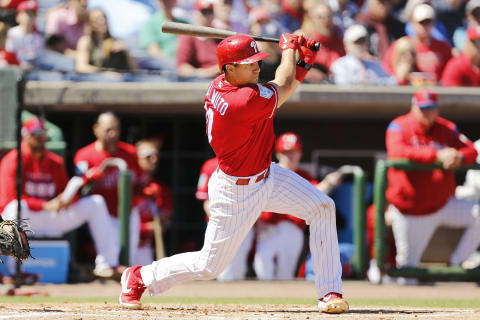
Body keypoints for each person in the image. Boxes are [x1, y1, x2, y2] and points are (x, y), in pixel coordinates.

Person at [118, 33, 349, 314]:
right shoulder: (242, 101)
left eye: (257, 60)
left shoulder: (224, 85)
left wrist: (301, 64)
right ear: (229, 68)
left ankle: (329, 291)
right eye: (248, 62)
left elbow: (281, 92)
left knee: (322, 206)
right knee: (209, 265)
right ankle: (140, 276)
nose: (256, 66)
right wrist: (289, 51)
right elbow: (284, 86)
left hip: (266, 174)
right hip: (237, 190)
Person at [0, 116, 120, 278]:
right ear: (26, 136)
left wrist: (70, 198)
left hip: (52, 217)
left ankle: (107, 264)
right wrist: (44, 205)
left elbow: (65, 191)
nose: (41, 139)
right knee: (14, 207)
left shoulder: (54, 161)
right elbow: (7, 199)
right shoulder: (13, 160)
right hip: (27, 217)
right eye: (36, 135)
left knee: (96, 203)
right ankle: (14, 271)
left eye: (43, 135)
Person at [385, 89, 480, 279]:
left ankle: (458, 260)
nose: (427, 112)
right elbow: (397, 151)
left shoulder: (447, 128)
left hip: (442, 205)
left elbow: (471, 150)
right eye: (423, 108)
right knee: (407, 274)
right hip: (410, 212)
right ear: (413, 107)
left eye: (431, 108)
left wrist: (459, 157)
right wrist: (436, 155)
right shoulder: (398, 126)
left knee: (478, 213)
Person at [254, 132, 345, 280]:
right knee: (262, 270)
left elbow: (316, 195)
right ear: (278, 154)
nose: (291, 156)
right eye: (287, 152)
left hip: (292, 229)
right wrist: (256, 223)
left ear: (300, 154)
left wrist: (328, 182)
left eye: (294, 152)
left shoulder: (304, 175)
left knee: (286, 273)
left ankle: (279, 303)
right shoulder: (267, 173)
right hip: (267, 227)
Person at [74, 112, 143, 273]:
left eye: (116, 129)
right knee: (108, 259)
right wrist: (90, 178)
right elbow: (78, 188)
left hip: (127, 212)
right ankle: (104, 266)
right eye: (108, 130)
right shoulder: (85, 155)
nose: (114, 134)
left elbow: (139, 183)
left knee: (128, 260)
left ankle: (124, 285)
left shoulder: (130, 153)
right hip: (103, 215)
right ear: (96, 129)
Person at [196, 157, 255, 281]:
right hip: (220, 224)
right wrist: (222, 221)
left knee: (237, 268)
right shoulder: (210, 165)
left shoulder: (251, 162)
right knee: (217, 268)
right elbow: (205, 199)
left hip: (244, 222)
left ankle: (234, 299)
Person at [384, 4, 452, 84]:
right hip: (408, 90)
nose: (424, 26)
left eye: (428, 22)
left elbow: (450, 74)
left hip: (435, 90)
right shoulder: (401, 45)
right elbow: (388, 72)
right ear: (413, 23)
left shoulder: (443, 47)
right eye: (421, 22)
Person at [132, 139, 172, 266]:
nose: (154, 160)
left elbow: (162, 224)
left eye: (156, 156)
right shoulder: (127, 184)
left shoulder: (159, 188)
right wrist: (145, 227)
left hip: (144, 246)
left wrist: (157, 225)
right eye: (148, 156)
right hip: (121, 244)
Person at [75, 8, 137, 77]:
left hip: (120, 81)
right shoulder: (86, 41)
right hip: (95, 80)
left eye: (104, 17)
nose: (103, 21)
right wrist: (104, 73)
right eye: (97, 19)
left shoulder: (117, 41)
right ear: (90, 23)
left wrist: (126, 51)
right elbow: (81, 67)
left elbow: (135, 69)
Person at [330, 24, 397, 85]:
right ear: (346, 45)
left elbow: (392, 82)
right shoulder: (340, 65)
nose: (361, 45)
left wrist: (372, 83)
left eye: (363, 41)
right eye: (357, 42)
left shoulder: (374, 64)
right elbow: (343, 85)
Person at [296, 2, 345, 82]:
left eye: (329, 16)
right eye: (320, 17)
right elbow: (298, 69)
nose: (326, 20)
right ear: (312, 19)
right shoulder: (306, 44)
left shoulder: (342, 43)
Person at [176, 0, 220, 80]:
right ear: (196, 14)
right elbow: (182, 67)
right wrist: (203, 73)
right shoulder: (188, 36)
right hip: (200, 80)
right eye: (204, 12)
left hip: (222, 77)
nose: (207, 16)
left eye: (210, 12)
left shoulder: (220, 34)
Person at [5, 0, 43, 69]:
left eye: (32, 14)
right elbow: (8, 56)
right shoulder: (12, 33)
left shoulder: (38, 37)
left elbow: (40, 58)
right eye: (26, 13)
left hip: (33, 70)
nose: (29, 17)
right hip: (14, 70)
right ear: (17, 16)